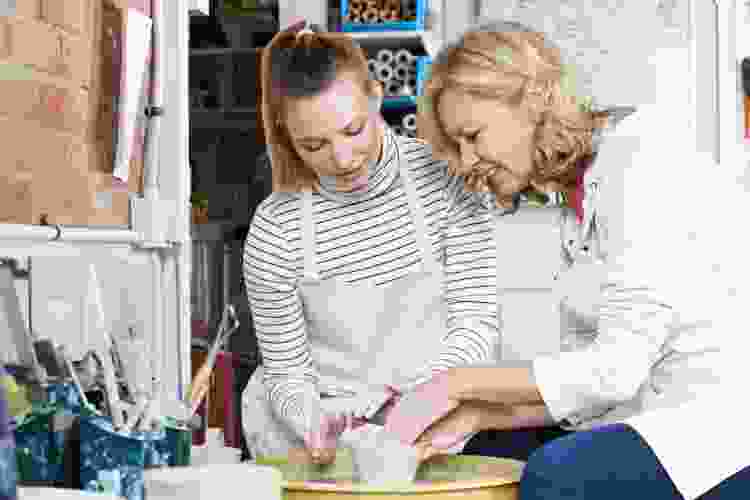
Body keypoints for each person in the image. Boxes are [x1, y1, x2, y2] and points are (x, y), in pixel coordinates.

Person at [384, 20, 750, 500]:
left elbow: (616, 369)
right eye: (457, 147)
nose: (467, 161)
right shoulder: (575, 203)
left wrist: (455, 384)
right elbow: (587, 387)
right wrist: (477, 415)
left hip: (715, 433)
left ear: (532, 101)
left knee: (556, 475)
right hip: (648, 416)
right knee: (486, 448)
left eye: (472, 135)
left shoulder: (638, 164)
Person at [241, 22, 501, 463]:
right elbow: (286, 373)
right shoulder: (275, 229)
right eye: (313, 144)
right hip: (322, 429)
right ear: (287, 137)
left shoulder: (448, 179)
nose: (342, 159)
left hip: (436, 412)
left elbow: (475, 324)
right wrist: (314, 424)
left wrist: (424, 402)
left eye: (353, 129)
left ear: (376, 97)